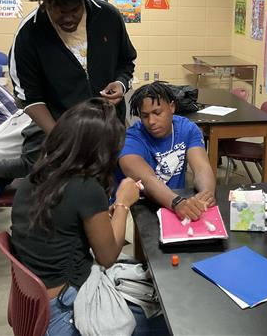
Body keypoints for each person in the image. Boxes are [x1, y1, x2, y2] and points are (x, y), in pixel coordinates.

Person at [11, 98, 166, 335]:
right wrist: (123, 203)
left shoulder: (36, 177)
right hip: (64, 309)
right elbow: (106, 257)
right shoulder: (85, 188)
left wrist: (106, 217)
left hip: (34, 304)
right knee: (164, 319)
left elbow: (65, 228)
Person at [9, 0, 136, 133]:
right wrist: (57, 136)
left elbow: (126, 62)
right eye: (60, 11)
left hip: (110, 125)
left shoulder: (108, 17)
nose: (68, 18)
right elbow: (28, 96)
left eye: (75, 10)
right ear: (44, 2)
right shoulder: (29, 33)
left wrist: (120, 83)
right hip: (60, 128)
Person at [118, 82, 216, 221]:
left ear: (172, 107)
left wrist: (206, 194)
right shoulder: (131, 139)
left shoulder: (187, 129)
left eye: (157, 113)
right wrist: (177, 202)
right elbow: (147, 180)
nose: (151, 121)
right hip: (138, 209)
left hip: (175, 204)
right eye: (145, 116)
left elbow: (201, 167)